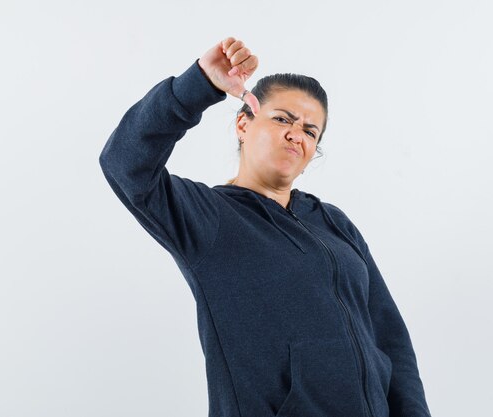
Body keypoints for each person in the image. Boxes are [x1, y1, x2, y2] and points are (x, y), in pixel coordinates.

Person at [99, 36, 432, 417]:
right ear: (243, 123)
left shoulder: (334, 223)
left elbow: (390, 338)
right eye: (282, 119)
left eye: (310, 130)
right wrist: (198, 86)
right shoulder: (209, 217)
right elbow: (124, 163)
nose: (296, 134)